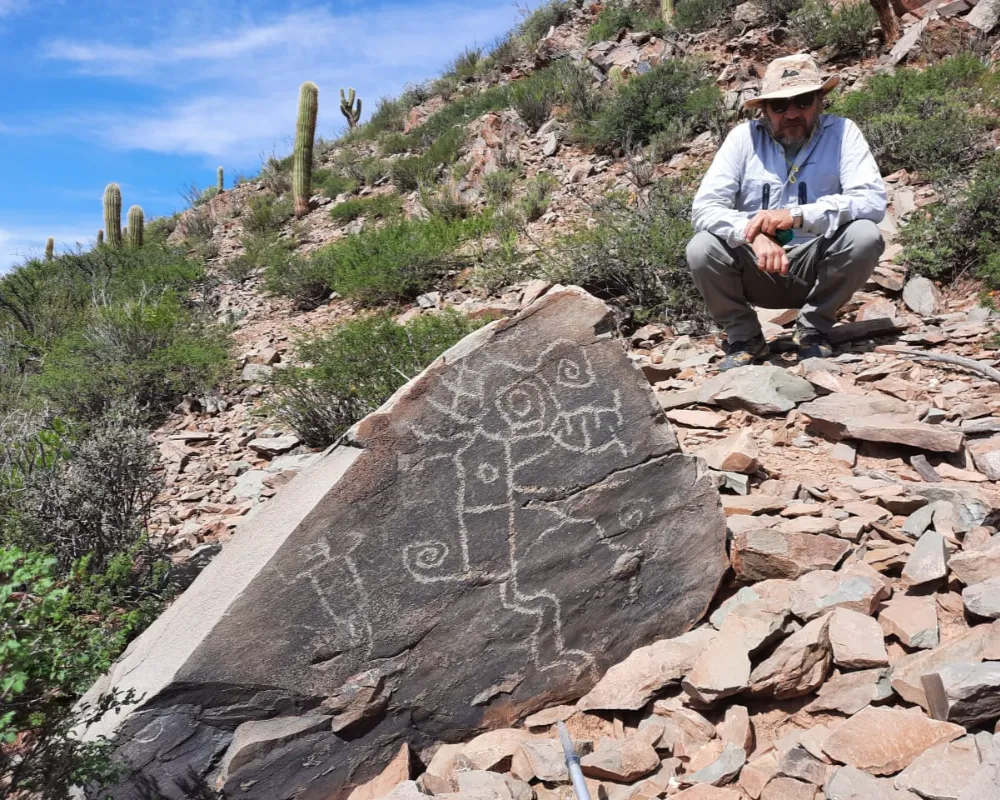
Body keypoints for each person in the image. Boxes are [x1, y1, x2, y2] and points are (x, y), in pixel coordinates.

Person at [687, 54, 887, 371]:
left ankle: (812, 329)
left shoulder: (843, 133)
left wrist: (796, 216)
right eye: (779, 106)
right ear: (764, 110)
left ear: (820, 100)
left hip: (816, 263)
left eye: (803, 101)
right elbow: (704, 209)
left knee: (865, 235)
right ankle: (745, 337)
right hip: (758, 267)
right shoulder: (743, 139)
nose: (791, 113)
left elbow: (872, 201)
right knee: (701, 248)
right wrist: (751, 235)